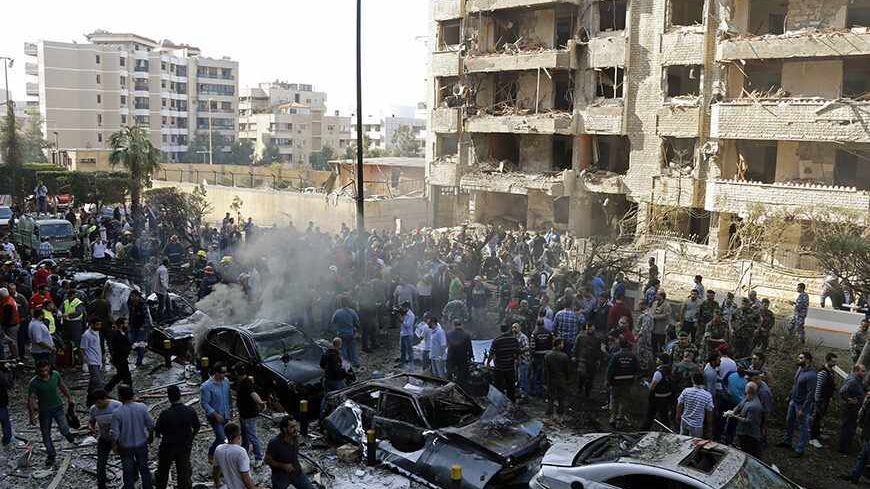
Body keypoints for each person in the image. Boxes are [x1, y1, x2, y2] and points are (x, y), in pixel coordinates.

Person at [27, 360, 75, 466]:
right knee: (46, 434)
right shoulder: (34, 382)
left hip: (58, 406)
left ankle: (67, 433)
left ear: (49, 368)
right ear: (37, 371)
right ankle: (51, 454)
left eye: (45, 370)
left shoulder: (55, 375)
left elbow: (62, 386)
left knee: (64, 427)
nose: (44, 373)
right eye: (41, 371)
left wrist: (69, 397)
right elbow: (31, 399)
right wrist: (32, 415)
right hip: (44, 411)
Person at [154, 385, 200, 489]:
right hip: (184, 446)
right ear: (180, 395)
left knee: (163, 474)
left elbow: (157, 432)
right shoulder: (190, 411)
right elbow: (197, 426)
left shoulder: (165, 414)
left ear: (169, 398)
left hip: (167, 447)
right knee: (184, 474)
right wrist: (191, 438)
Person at [111, 385, 155, 489]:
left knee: (128, 472)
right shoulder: (142, 407)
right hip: (141, 443)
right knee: (144, 469)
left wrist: (114, 446)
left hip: (125, 446)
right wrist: (151, 436)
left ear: (120, 396)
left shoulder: (117, 413)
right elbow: (151, 424)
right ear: (132, 395)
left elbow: (115, 434)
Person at [776, 351, 817, 457]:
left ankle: (800, 449)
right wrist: (790, 396)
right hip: (793, 401)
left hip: (801, 405)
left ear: (807, 360)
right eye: (799, 357)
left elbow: (810, 394)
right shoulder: (800, 369)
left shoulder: (812, 375)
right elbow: (795, 384)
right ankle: (787, 442)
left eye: (801, 358)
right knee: (789, 421)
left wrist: (802, 409)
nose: (798, 359)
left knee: (803, 427)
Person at [265, 417, 315, 489]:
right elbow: (267, 460)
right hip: (280, 476)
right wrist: (283, 466)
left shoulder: (295, 437)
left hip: (296, 472)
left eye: (296, 425)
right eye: (292, 427)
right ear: (285, 429)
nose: (296, 429)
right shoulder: (274, 443)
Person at [89, 390, 122, 489]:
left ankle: (134, 476)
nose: (97, 405)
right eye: (95, 403)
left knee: (127, 459)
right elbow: (91, 421)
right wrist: (91, 426)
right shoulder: (94, 409)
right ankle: (101, 485)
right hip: (104, 438)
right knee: (101, 463)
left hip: (119, 438)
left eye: (99, 402)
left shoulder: (117, 406)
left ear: (105, 399)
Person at [213, 422, 259, 489]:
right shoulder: (240, 452)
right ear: (239, 435)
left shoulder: (218, 449)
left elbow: (215, 470)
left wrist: (217, 482)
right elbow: (246, 479)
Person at [201, 363, 232, 461]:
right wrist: (215, 414)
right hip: (215, 417)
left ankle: (223, 457)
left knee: (227, 437)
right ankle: (212, 454)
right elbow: (204, 403)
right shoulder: (206, 386)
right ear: (216, 373)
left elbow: (228, 396)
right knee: (221, 437)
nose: (225, 374)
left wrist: (231, 409)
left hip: (226, 414)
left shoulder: (226, 381)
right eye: (222, 372)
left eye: (225, 372)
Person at [607, 338, 639, 428]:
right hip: (628, 382)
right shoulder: (632, 356)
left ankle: (612, 417)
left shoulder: (615, 356)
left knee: (614, 399)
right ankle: (619, 419)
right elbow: (637, 369)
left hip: (616, 382)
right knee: (624, 401)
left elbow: (610, 370)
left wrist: (608, 381)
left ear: (620, 345)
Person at [809, 352, 838, 448]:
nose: (835, 364)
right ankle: (812, 438)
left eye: (835, 362)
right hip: (820, 400)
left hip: (826, 399)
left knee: (820, 418)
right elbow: (819, 386)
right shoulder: (823, 372)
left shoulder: (831, 371)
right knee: (816, 418)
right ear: (828, 360)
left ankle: (817, 434)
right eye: (833, 361)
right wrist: (817, 400)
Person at [238, 373, 266, 466]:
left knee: (252, 437)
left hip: (248, 415)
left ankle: (259, 457)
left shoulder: (246, 384)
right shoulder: (244, 382)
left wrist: (261, 403)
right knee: (245, 436)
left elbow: (254, 394)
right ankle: (244, 454)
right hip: (244, 414)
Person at [731, 381, 764, 458]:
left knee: (748, 452)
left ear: (749, 390)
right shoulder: (747, 397)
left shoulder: (754, 406)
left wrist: (735, 417)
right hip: (742, 430)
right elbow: (740, 405)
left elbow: (749, 421)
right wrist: (734, 410)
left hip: (749, 434)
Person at [488, 323, 520, 401]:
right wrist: (515, 360)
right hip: (510, 368)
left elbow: (491, 353)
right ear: (508, 329)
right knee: (511, 387)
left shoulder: (496, 340)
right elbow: (517, 352)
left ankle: (499, 403)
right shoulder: (514, 340)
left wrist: (488, 362)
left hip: (499, 368)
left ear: (501, 330)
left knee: (499, 387)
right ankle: (512, 404)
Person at [839, 363, 867, 455]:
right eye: (862, 371)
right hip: (850, 409)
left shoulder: (858, 380)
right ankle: (843, 448)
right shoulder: (853, 381)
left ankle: (846, 447)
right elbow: (842, 391)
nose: (865, 373)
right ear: (856, 371)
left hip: (854, 410)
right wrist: (849, 400)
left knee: (850, 428)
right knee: (847, 428)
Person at [642, 353, 675, 430]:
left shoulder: (658, 372)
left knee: (650, 415)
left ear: (661, 361)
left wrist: (646, 384)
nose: (656, 360)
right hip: (667, 396)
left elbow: (652, 387)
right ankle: (666, 430)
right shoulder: (670, 370)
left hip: (657, 398)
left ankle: (644, 431)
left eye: (658, 359)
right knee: (664, 415)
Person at [676, 372, 714, 438]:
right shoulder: (707, 395)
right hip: (697, 425)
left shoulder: (686, 391)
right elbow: (709, 413)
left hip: (684, 420)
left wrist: (678, 415)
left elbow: (679, 404)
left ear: (692, 380)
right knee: (695, 444)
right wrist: (709, 427)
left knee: (682, 441)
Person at [543, 338, 572, 417]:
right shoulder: (564, 356)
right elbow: (567, 370)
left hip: (551, 379)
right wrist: (568, 379)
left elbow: (545, 370)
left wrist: (545, 380)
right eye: (562, 344)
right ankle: (560, 411)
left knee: (550, 397)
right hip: (561, 379)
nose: (563, 345)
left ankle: (549, 411)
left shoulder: (547, 356)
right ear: (559, 345)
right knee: (561, 396)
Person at [105, 318, 133, 393]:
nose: (127, 325)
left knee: (119, 376)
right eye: (126, 323)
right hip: (119, 359)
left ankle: (106, 390)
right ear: (121, 325)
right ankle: (129, 393)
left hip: (122, 358)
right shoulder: (116, 335)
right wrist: (131, 347)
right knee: (126, 377)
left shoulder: (123, 333)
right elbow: (120, 348)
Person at [81, 319, 104, 403]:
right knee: (97, 381)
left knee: (93, 380)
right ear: (92, 324)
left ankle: (89, 397)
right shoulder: (86, 335)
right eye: (97, 324)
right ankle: (100, 398)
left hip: (98, 360)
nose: (99, 327)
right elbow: (82, 349)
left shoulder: (97, 333)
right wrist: (85, 362)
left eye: (100, 324)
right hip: (92, 361)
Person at [574, 322, 600, 398]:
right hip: (582, 359)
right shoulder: (580, 336)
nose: (590, 330)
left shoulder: (597, 338)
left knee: (590, 377)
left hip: (592, 360)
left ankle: (587, 392)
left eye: (591, 328)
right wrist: (574, 356)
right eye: (589, 329)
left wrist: (598, 359)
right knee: (581, 375)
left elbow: (598, 350)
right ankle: (580, 389)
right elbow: (576, 346)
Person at [127, 289, 152, 367]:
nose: (132, 298)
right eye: (131, 296)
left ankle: (139, 361)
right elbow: (130, 315)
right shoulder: (131, 303)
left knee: (140, 344)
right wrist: (129, 324)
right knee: (131, 342)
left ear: (137, 296)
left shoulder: (142, 304)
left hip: (142, 328)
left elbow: (146, 317)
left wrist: (143, 326)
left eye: (133, 296)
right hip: (133, 326)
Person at [530, 319, 554, 397]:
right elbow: (552, 343)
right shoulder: (549, 332)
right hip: (547, 355)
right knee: (547, 373)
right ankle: (546, 390)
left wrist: (532, 355)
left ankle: (537, 391)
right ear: (543, 324)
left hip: (538, 356)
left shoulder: (534, 333)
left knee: (536, 373)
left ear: (537, 324)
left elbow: (532, 347)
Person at [62, 288, 86, 361]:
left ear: (73, 295)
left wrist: (68, 314)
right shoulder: (65, 301)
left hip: (76, 324)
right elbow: (61, 308)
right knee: (67, 341)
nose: (68, 297)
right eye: (68, 296)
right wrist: (60, 313)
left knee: (77, 342)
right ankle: (69, 359)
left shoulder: (78, 303)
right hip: (66, 323)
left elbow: (78, 312)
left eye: (70, 296)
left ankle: (81, 360)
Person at [446, 319, 473, 385]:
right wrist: (470, 356)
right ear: (461, 324)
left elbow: (447, 344)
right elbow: (469, 347)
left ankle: (448, 385)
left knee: (449, 372)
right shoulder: (466, 334)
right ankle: (461, 387)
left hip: (451, 356)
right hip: (462, 357)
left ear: (453, 325)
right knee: (462, 374)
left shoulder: (448, 333)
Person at [0, 287, 20, 362]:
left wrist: (2, 325)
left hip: (11, 325)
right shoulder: (10, 299)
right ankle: (14, 355)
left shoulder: (7, 304)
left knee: (12, 342)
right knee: (12, 342)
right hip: (14, 323)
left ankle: (16, 357)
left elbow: (6, 318)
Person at [0, 363, 13, 447]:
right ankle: (6, 441)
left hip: (1, 402)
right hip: (1, 402)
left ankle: (6, 441)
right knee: (5, 422)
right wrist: (9, 372)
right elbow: (9, 385)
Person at [398, 301, 415, 367]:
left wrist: (401, 320)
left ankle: (411, 364)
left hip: (408, 335)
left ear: (407, 307)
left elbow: (408, 325)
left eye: (403, 307)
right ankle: (403, 363)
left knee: (409, 350)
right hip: (403, 334)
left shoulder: (411, 315)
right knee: (402, 350)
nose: (402, 309)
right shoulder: (404, 313)